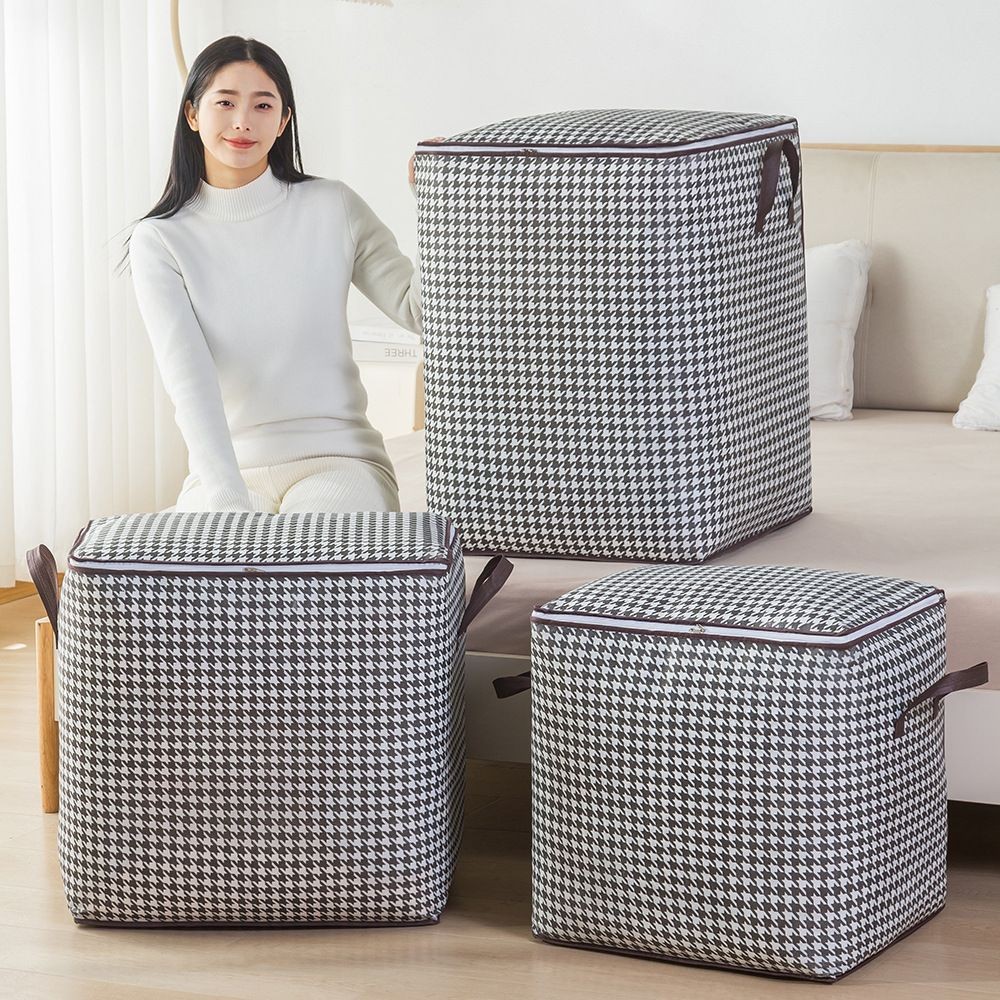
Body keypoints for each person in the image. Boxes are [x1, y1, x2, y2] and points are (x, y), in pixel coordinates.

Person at [124, 35, 433, 514]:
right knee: (206, 553)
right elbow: (189, 381)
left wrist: (437, 208)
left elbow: (421, 313)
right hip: (226, 472)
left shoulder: (333, 206)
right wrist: (227, 503)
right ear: (192, 114)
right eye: (225, 102)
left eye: (263, 105)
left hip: (340, 460)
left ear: (284, 120)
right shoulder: (160, 239)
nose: (243, 121)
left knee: (304, 547)